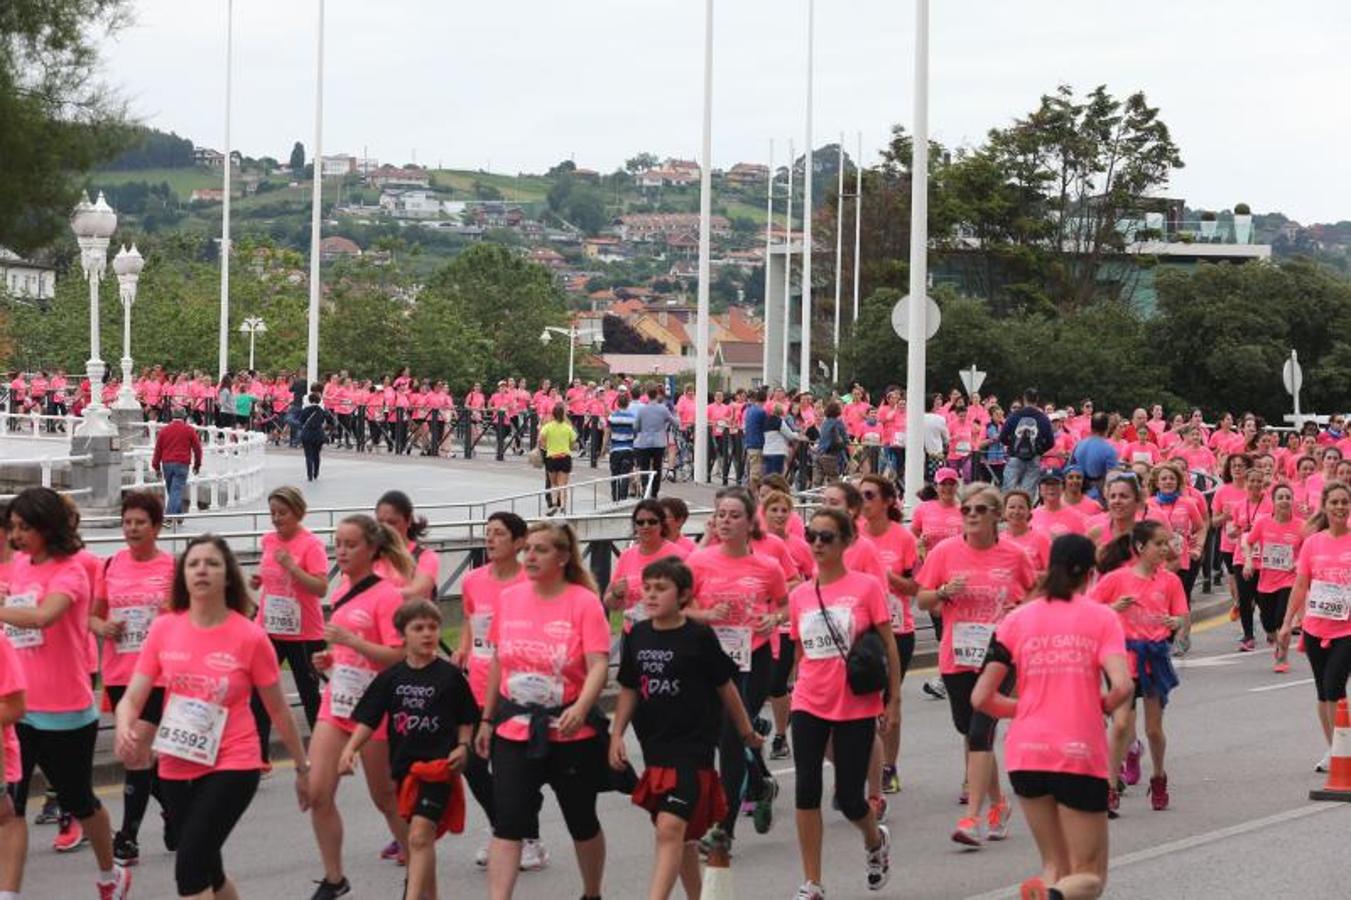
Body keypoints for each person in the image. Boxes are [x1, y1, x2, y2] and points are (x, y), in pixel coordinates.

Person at [114, 535, 311, 900]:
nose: (202, 569)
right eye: (193, 564)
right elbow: (132, 698)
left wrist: (302, 769)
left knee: (189, 868)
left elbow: (278, 709)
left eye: (212, 563)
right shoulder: (164, 629)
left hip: (234, 761)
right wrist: (124, 726)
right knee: (210, 870)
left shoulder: (250, 636)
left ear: (227, 576)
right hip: (176, 762)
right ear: (183, 577)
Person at [973, 534, 1132, 900]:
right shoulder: (1102, 618)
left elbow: (981, 696)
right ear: (1091, 573)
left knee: (1056, 867)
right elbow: (1122, 685)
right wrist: (1101, 706)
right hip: (1077, 752)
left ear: (1049, 569)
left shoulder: (1017, 620)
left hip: (1026, 752)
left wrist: (1028, 709)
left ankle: (1049, 892)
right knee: (1089, 876)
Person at [0, 488, 129, 899]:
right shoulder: (19, 563)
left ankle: (111, 873)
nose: (16, 536)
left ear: (47, 528)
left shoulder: (71, 571)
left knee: (79, 800)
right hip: (18, 706)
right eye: (13, 528)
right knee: (12, 809)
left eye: (24, 528)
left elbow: (42, 615)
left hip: (66, 708)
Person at [473, 521, 611, 900]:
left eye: (540, 549)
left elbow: (598, 663)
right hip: (514, 729)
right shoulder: (510, 598)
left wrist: (581, 709)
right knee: (508, 823)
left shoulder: (583, 602)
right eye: (527, 549)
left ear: (563, 557)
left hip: (569, 731)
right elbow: (499, 660)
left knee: (581, 822)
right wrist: (487, 718)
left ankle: (592, 892)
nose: (529, 556)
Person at [611, 558, 760, 900]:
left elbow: (725, 686)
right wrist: (616, 734)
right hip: (655, 746)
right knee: (679, 837)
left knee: (670, 827)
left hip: (693, 746)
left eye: (660, 588)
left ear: (683, 596)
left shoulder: (699, 636)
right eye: (647, 588)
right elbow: (629, 688)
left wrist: (746, 731)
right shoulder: (637, 635)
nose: (650, 595)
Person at [787, 507, 900, 899]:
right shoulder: (800, 595)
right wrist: (794, 689)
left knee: (851, 799)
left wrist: (893, 700)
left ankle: (874, 841)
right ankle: (813, 882)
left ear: (846, 541)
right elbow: (800, 652)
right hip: (808, 702)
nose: (818, 543)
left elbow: (888, 645)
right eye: (812, 535)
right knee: (806, 789)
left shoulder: (867, 588)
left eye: (827, 537)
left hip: (855, 703)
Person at [916, 482, 1037, 847]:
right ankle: (999, 804)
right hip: (957, 655)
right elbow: (921, 599)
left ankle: (971, 818)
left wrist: (1022, 609)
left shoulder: (1014, 555)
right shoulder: (944, 553)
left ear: (996, 516)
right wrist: (940, 593)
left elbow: (1035, 592)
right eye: (966, 509)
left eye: (980, 509)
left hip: (999, 655)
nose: (971, 515)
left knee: (980, 731)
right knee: (970, 732)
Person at [306, 515, 415, 898]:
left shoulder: (387, 595)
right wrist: (331, 659)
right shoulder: (340, 589)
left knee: (384, 796)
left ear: (372, 549)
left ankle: (418, 868)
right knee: (318, 792)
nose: (342, 551)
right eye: (337, 544)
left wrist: (351, 642)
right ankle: (334, 878)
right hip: (337, 703)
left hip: (375, 709)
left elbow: (398, 657)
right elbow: (345, 651)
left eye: (350, 545)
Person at [340, 600, 478, 900]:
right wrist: (349, 749)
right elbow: (369, 718)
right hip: (404, 770)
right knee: (420, 841)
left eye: (433, 627)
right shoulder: (392, 677)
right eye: (419, 628)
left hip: (438, 769)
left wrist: (464, 746)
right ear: (403, 634)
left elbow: (467, 717)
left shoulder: (450, 676)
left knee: (417, 838)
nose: (427, 634)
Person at [685, 487, 788, 853]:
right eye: (721, 515)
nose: (725, 521)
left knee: (731, 739)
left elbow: (788, 604)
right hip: (709, 660)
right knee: (713, 737)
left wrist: (773, 618)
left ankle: (722, 830)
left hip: (753, 659)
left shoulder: (767, 566)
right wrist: (705, 615)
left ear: (749, 523)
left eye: (733, 515)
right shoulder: (700, 562)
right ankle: (760, 783)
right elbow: (679, 607)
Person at [457, 512, 550, 871]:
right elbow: (469, 618)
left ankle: (529, 838)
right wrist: (464, 647)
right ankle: (502, 827)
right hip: (477, 683)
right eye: (488, 533)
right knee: (474, 764)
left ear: (518, 542)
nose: (491, 539)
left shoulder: (531, 582)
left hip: (518, 686)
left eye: (499, 534)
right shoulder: (473, 580)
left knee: (516, 769)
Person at [88, 491, 175, 868]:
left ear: (156, 527)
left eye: (141, 522)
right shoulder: (111, 565)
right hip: (122, 672)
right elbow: (91, 617)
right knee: (140, 756)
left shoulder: (171, 567)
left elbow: (183, 619)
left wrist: (165, 622)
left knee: (135, 749)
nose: (133, 529)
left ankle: (128, 837)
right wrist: (103, 626)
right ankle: (174, 811)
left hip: (158, 675)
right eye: (128, 522)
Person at [1093, 521, 1187, 816]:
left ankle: (1158, 776)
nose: (1164, 549)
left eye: (1166, 543)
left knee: (1153, 729)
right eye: (1159, 543)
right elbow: (1088, 609)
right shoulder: (1116, 579)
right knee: (1121, 724)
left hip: (1155, 656)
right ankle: (1109, 786)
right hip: (1123, 657)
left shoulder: (1170, 581)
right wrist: (1113, 608)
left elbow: (1182, 615)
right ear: (1140, 547)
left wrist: (1176, 625)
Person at [249, 486, 330, 765]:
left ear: (297, 512)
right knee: (259, 692)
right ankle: (260, 757)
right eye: (272, 513)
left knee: (310, 696)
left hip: (304, 631)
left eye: (282, 513)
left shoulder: (312, 545)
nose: (276, 518)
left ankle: (322, 752)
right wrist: (258, 579)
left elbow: (320, 588)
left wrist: (293, 568)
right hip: (270, 627)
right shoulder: (268, 541)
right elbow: (269, 572)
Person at [1278, 481, 1351, 773]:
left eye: (1345, 502)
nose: (1340, 507)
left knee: (1335, 685)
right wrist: (1286, 624)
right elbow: (1300, 585)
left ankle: (1343, 750)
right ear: (1326, 506)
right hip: (1315, 626)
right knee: (1323, 692)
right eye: (1334, 502)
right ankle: (1335, 748)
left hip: (1347, 629)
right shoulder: (1313, 543)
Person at [859, 475, 918, 794]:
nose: (863, 501)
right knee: (863, 701)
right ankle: (866, 764)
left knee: (887, 700)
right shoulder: (853, 534)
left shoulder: (903, 538)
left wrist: (885, 577)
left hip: (897, 629)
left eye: (869, 495)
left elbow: (915, 587)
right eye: (860, 496)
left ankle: (888, 766)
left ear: (886, 501)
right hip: (862, 628)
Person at [911, 467, 964, 701]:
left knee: (951, 629)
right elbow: (912, 534)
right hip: (932, 576)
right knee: (941, 630)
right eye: (943, 484)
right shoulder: (924, 509)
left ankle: (947, 679)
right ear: (936, 485)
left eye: (951, 483)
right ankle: (952, 676)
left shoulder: (964, 510)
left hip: (958, 576)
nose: (947, 488)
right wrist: (919, 540)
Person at [1244, 483, 1303, 673]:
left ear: (1293, 501)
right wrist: (1248, 562)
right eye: (1281, 497)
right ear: (1274, 501)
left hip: (1289, 580)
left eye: (1288, 497)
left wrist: (1299, 563)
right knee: (1268, 623)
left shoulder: (1301, 526)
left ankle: (1282, 658)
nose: (1285, 501)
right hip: (1266, 581)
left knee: (1281, 620)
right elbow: (1248, 542)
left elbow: (1309, 550)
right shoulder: (1263, 522)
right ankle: (1276, 640)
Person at [604, 501, 689, 629]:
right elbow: (609, 602)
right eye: (640, 522)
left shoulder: (680, 556)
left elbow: (690, 600)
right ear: (635, 526)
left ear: (662, 524)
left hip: (668, 632)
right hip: (632, 634)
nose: (646, 526)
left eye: (652, 521)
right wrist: (616, 594)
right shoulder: (627, 555)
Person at [375, 490, 440, 603]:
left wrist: (370, 596)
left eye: (392, 523)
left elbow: (417, 593)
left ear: (408, 521)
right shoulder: (368, 555)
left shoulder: (424, 557)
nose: (384, 528)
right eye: (380, 522)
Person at [151, 407, 203, 521]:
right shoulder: (189, 430)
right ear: (184, 417)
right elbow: (198, 449)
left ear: (172, 417)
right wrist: (197, 465)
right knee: (176, 490)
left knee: (173, 490)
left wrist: (156, 467)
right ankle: (170, 517)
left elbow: (158, 449)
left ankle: (178, 517)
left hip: (167, 464)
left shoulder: (164, 430)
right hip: (182, 463)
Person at [1000, 388, 1055, 494]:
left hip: (1015, 457)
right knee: (1028, 493)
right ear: (1037, 400)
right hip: (1034, 458)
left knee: (1009, 492)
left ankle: (1009, 509)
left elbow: (1002, 437)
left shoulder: (1014, 416)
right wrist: (1039, 451)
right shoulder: (1043, 418)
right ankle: (1025, 509)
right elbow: (1051, 442)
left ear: (1024, 399)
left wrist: (1012, 446)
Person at [634, 384, 680, 498]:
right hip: (659, 442)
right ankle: (654, 491)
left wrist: (642, 430)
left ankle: (645, 487)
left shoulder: (642, 409)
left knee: (644, 467)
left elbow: (636, 426)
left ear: (647, 396)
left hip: (644, 442)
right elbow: (674, 422)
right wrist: (676, 417)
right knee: (657, 467)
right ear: (657, 395)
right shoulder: (663, 409)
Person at [538, 403, 578, 514]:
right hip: (565, 457)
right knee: (563, 484)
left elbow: (541, 439)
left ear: (553, 414)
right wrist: (568, 446)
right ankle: (563, 506)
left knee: (553, 483)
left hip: (552, 457)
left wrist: (547, 446)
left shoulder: (548, 426)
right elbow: (573, 442)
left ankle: (554, 504)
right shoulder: (568, 427)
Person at [1068, 414, 1120, 500]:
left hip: (1078, 492)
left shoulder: (1079, 445)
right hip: (1098, 496)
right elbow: (1113, 478)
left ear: (1091, 427)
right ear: (1107, 428)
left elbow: (1070, 468)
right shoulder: (1109, 450)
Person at [604, 391, 638, 501]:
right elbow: (636, 433)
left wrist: (603, 448)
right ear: (628, 403)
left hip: (615, 449)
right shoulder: (633, 418)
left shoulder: (612, 417)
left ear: (617, 403)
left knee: (615, 474)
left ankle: (615, 496)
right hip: (628, 448)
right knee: (625, 474)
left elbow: (607, 434)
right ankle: (623, 496)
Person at [297, 392, 335, 482]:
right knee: (316, 454)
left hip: (307, 434)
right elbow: (330, 420)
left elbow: (301, 421)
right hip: (318, 434)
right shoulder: (322, 411)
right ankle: (316, 473)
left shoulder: (305, 410)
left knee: (308, 455)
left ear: (309, 400)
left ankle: (309, 475)